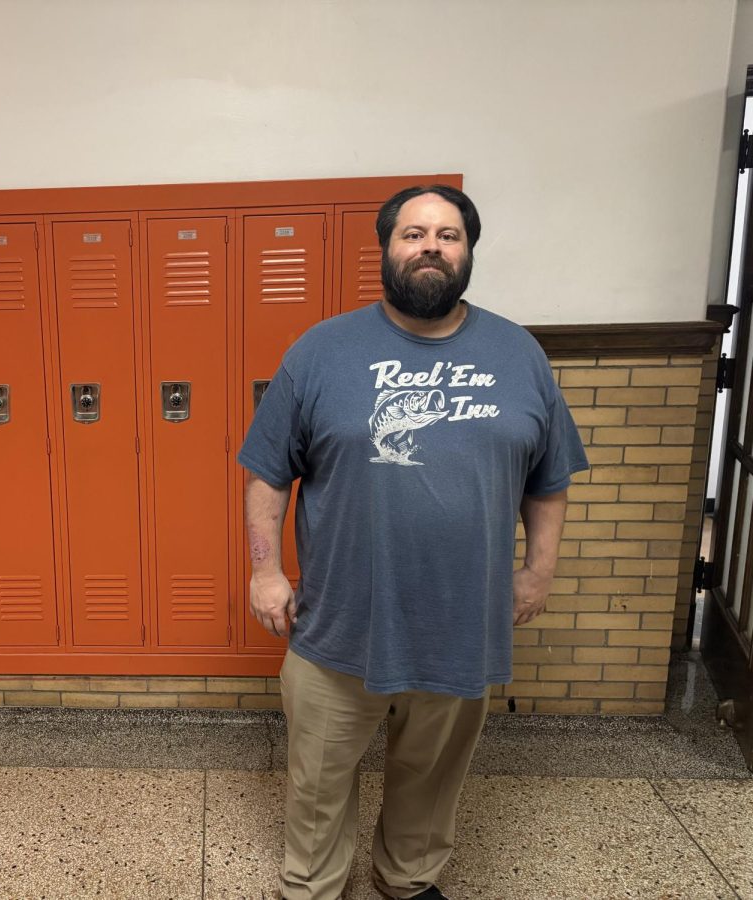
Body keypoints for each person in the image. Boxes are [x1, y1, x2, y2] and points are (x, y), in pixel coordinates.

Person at [238, 184, 588, 900]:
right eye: (414, 233)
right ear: (387, 248)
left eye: (449, 235)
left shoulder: (517, 352)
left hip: (461, 622)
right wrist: (266, 573)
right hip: (340, 624)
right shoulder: (323, 350)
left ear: (467, 252)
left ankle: (407, 878)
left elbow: (548, 480)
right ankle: (313, 885)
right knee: (319, 780)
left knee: (432, 778)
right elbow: (268, 474)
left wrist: (538, 572)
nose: (431, 245)